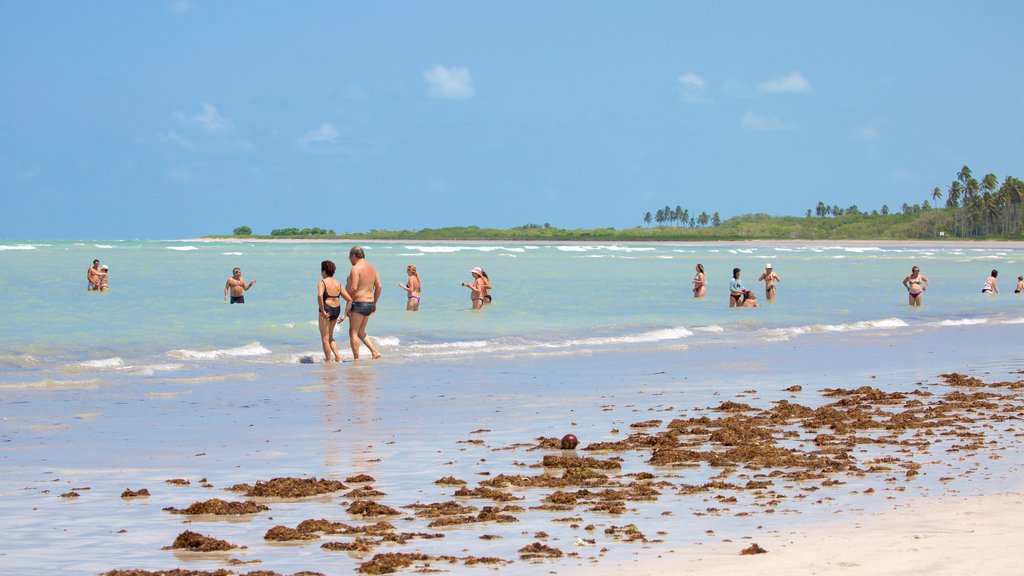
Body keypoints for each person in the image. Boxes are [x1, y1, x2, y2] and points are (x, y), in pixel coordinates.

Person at [345, 247, 382, 360]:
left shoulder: (355, 268)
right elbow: (379, 286)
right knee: (361, 332)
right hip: (369, 303)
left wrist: (348, 304)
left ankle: (356, 359)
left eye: (349, 257)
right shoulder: (372, 268)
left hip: (359, 303)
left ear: (353, 256)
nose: (349, 260)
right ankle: (374, 352)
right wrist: (374, 303)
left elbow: (353, 288)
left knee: (353, 332)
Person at [318, 260, 351, 363]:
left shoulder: (322, 282)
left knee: (325, 338)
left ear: (324, 271)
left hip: (327, 308)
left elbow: (319, 295)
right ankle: (338, 357)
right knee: (330, 337)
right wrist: (344, 315)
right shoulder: (338, 283)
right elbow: (349, 299)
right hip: (336, 309)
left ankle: (328, 361)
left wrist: (322, 310)